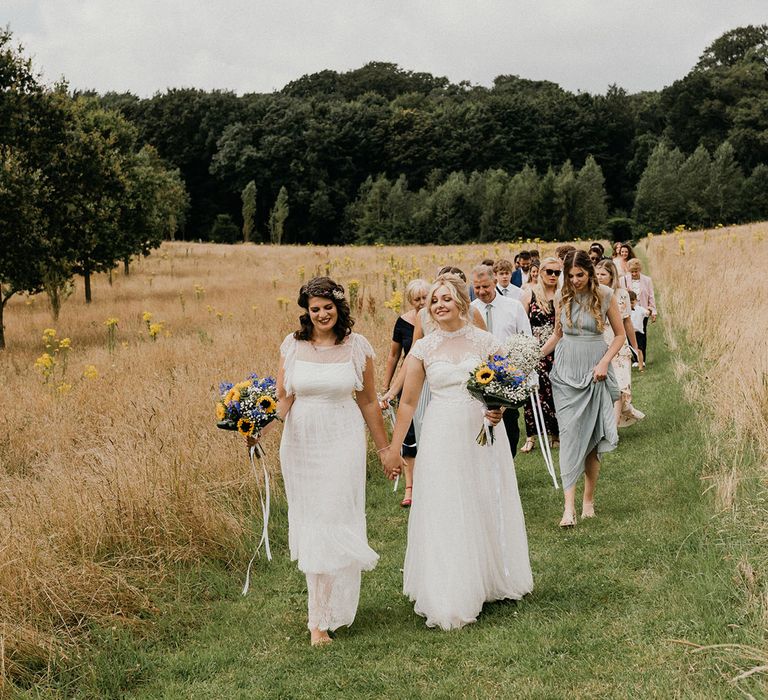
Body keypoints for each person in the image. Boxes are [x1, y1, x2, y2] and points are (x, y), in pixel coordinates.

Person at [382, 274, 533, 630]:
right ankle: (451, 587)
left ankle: (493, 578)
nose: (439, 305)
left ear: (461, 302)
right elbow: (409, 403)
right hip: (441, 431)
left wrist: (498, 408)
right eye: (434, 300)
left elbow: (507, 384)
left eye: (446, 298)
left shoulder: (484, 341)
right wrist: (393, 448)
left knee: (482, 497)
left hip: (480, 431)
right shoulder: (423, 349)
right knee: (448, 504)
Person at [253, 277, 391, 647]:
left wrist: (385, 450)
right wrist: (256, 427)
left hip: (341, 437)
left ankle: (320, 619)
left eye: (327, 307)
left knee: (333, 517)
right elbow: (283, 400)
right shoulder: (293, 345)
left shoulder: (357, 347)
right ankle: (321, 610)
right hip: (301, 443)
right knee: (312, 522)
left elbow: (367, 401)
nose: (321, 314)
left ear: (339, 307)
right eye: (314, 309)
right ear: (307, 311)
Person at [541, 251, 625, 528]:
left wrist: (604, 362)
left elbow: (620, 335)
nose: (575, 280)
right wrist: (534, 356)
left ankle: (588, 499)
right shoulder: (561, 296)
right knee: (568, 435)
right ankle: (568, 509)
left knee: (590, 437)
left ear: (589, 272)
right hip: (565, 372)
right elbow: (557, 334)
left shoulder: (605, 295)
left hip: (594, 371)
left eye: (580, 275)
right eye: (571, 275)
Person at [470, 264, 532, 457]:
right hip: (479, 377)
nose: (481, 292)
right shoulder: (470, 311)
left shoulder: (513, 307)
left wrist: (518, 374)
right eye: (477, 288)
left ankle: (508, 468)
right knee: (481, 426)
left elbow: (526, 339)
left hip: (508, 378)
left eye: (485, 287)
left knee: (510, 428)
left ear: (495, 282)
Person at [381, 278, 430, 507]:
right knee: (409, 436)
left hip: (433, 383)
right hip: (409, 381)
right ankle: (409, 487)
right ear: (410, 300)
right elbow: (396, 356)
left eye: (425, 298)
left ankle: (429, 483)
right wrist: (388, 387)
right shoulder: (402, 322)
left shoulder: (436, 319)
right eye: (417, 299)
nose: (421, 303)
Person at [595, 260, 645, 428]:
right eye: (597, 274)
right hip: (601, 343)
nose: (599, 277)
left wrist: (635, 347)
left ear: (611, 276)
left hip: (619, 343)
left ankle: (613, 427)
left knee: (620, 387)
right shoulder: (593, 294)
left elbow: (627, 323)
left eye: (603, 274)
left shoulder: (622, 294)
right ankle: (606, 423)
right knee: (605, 387)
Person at [519, 256, 561, 453]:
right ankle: (531, 436)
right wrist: (529, 352)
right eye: (549, 271)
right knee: (533, 393)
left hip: (557, 350)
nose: (553, 275)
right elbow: (520, 324)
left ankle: (556, 433)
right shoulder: (529, 294)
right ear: (540, 272)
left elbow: (560, 330)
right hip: (533, 349)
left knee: (554, 392)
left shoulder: (562, 295)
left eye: (557, 272)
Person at [620, 258, 656, 364]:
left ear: (640, 269)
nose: (634, 273)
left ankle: (641, 359)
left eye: (636, 271)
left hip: (642, 312)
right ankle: (633, 359)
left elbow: (651, 296)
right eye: (632, 271)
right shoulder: (623, 280)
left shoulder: (647, 280)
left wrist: (653, 311)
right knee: (629, 334)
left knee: (641, 334)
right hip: (629, 312)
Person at [628, 290, 649, 370]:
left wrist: (648, 312)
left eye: (632, 302)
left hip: (638, 332)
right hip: (629, 333)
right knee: (631, 348)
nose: (630, 304)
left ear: (636, 301)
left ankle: (641, 365)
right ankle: (635, 361)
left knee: (639, 349)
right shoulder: (625, 310)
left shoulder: (639, 309)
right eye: (628, 302)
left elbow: (646, 312)